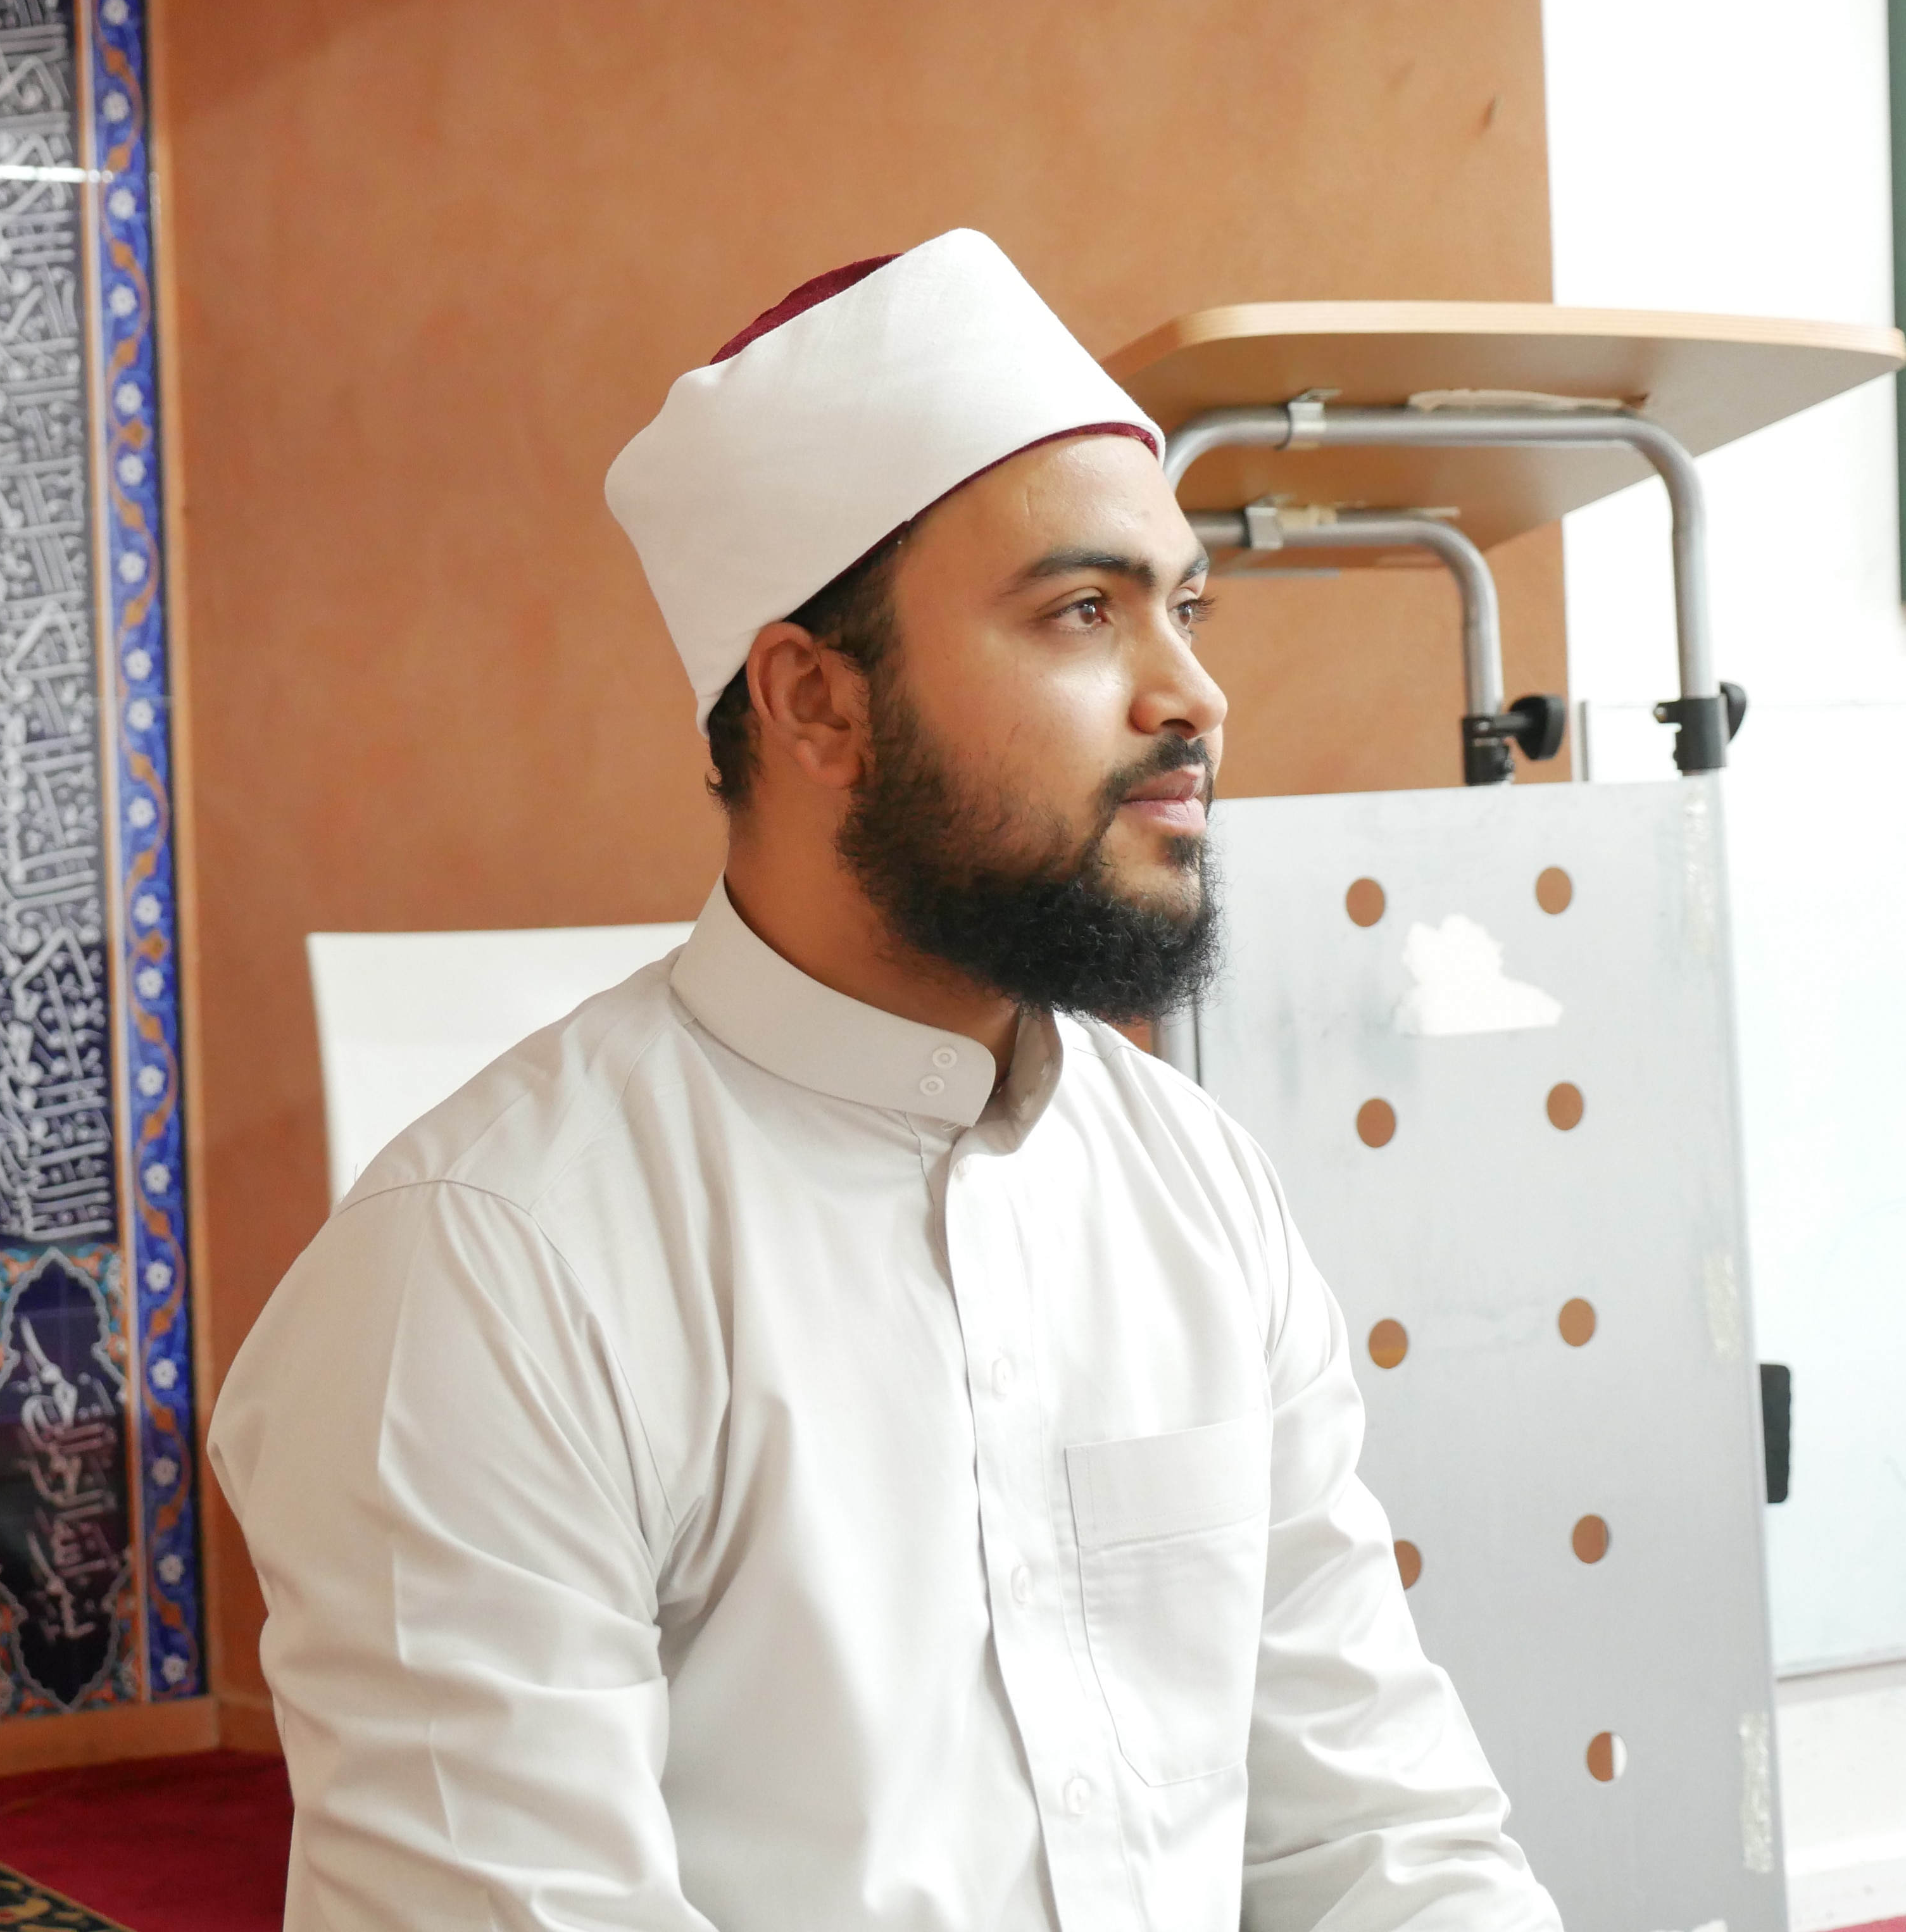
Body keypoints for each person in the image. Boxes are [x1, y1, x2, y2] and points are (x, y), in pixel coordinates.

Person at [209, 232, 1558, 1932]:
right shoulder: (485, 1273)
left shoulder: (1195, 1191)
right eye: (1085, 610)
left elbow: (1380, 1841)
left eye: (1184, 607)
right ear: (815, 703)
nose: (1194, 694)